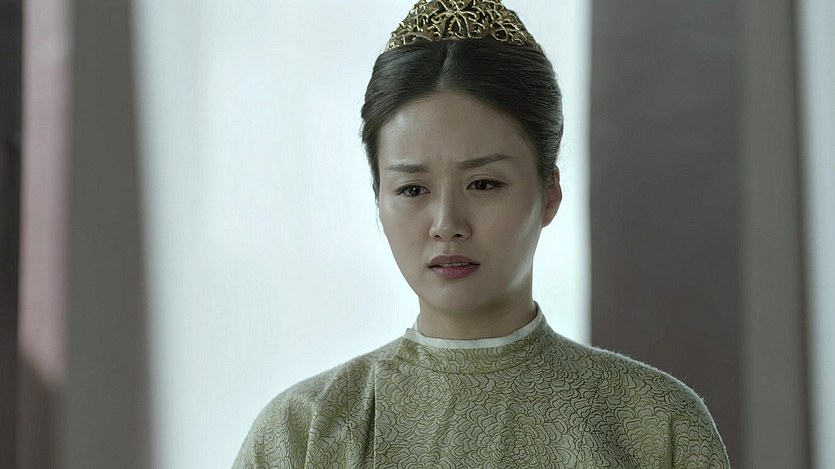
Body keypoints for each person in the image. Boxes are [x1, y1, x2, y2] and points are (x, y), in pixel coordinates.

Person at [233, 1, 730, 467]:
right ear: (379, 201)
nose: (447, 224)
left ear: (549, 193)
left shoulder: (654, 425)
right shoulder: (303, 430)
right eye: (412, 189)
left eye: (484, 184)